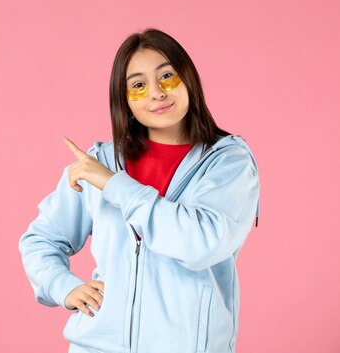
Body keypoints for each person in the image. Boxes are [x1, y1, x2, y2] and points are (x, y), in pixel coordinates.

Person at [18, 28, 261, 353]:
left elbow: (201, 244)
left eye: (167, 77)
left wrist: (114, 185)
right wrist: (62, 286)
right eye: (138, 85)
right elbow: (40, 240)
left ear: (188, 78)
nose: (157, 93)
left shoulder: (228, 163)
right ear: (124, 100)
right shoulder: (102, 161)